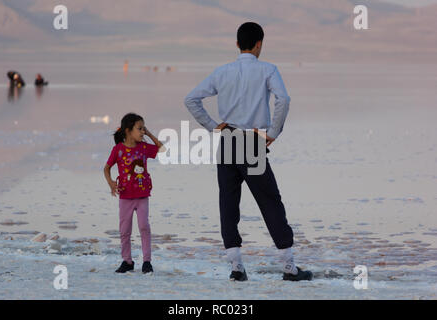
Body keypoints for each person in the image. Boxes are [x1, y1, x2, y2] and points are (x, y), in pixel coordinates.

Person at [184, 22, 313, 281]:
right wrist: (274, 133)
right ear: (259, 44)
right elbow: (283, 100)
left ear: (237, 44)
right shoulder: (267, 69)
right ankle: (289, 268)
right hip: (252, 142)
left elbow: (191, 99)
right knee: (269, 202)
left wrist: (212, 125)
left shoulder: (223, 72)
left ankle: (236, 268)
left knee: (228, 204)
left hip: (229, 139)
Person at [104, 113, 164, 273]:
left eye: (143, 129)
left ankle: (147, 262)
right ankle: (127, 261)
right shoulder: (118, 150)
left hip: (143, 196)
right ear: (128, 130)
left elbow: (161, 148)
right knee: (124, 230)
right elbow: (106, 168)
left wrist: (149, 133)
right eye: (140, 129)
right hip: (125, 197)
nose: (142, 132)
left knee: (144, 227)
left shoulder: (144, 147)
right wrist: (111, 183)